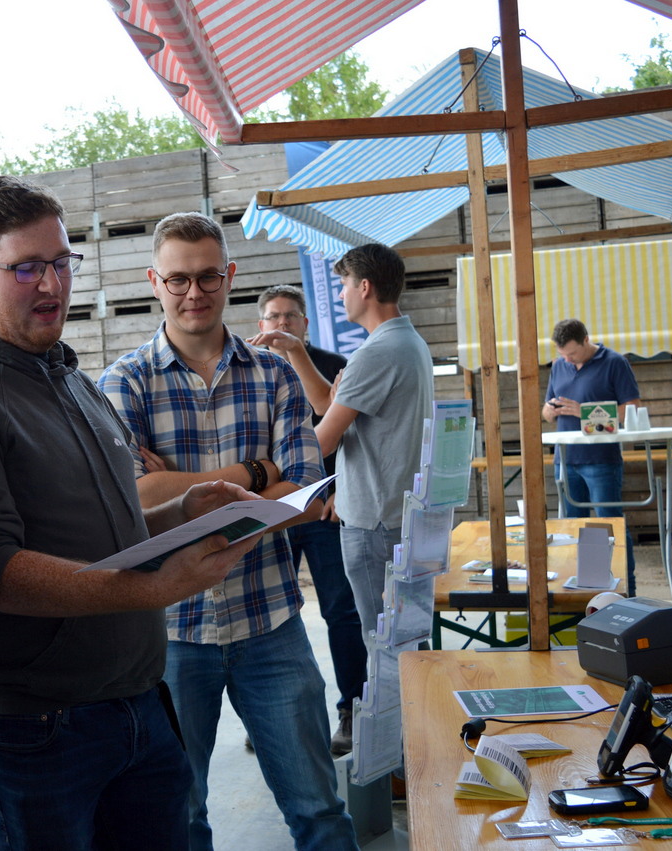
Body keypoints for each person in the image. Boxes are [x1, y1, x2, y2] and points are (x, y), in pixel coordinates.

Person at [0, 175, 263, 851]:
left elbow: (102, 527)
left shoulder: (69, 376)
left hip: (136, 703)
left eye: (62, 262)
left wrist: (181, 510)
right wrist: (154, 589)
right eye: (26, 267)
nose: (52, 284)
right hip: (32, 728)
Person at [100, 213, 357, 851]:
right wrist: (257, 472)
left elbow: (306, 494)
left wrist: (181, 492)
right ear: (154, 282)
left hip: (271, 622)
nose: (195, 292)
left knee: (320, 811)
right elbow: (134, 499)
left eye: (208, 276)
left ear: (229, 276)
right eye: (178, 279)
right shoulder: (124, 381)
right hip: (172, 632)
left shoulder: (274, 374)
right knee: (179, 819)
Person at [245, 283, 365, 757]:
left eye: (290, 316)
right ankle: (268, 716)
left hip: (322, 508)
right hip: (272, 510)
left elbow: (350, 438)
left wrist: (338, 489)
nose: (282, 324)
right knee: (268, 613)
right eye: (273, 316)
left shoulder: (334, 366)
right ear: (260, 324)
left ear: (305, 323)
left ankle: (352, 710)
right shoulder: (246, 368)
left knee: (340, 611)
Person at [313, 244, 433, 665]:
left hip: (374, 523)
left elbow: (322, 442)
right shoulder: (408, 341)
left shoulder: (374, 353)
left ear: (364, 287)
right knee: (408, 640)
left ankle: (398, 714)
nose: (340, 294)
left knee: (385, 647)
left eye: (344, 284)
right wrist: (295, 351)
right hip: (401, 515)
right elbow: (331, 407)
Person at [542, 317, 640, 595]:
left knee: (610, 526)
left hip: (601, 459)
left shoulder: (614, 362)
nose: (568, 360)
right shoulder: (559, 366)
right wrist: (551, 409)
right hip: (565, 460)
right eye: (563, 354)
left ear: (586, 340)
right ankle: (580, 593)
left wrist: (584, 412)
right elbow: (545, 413)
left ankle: (626, 590)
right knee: (571, 530)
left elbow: (631, 409)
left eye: (572, 353)